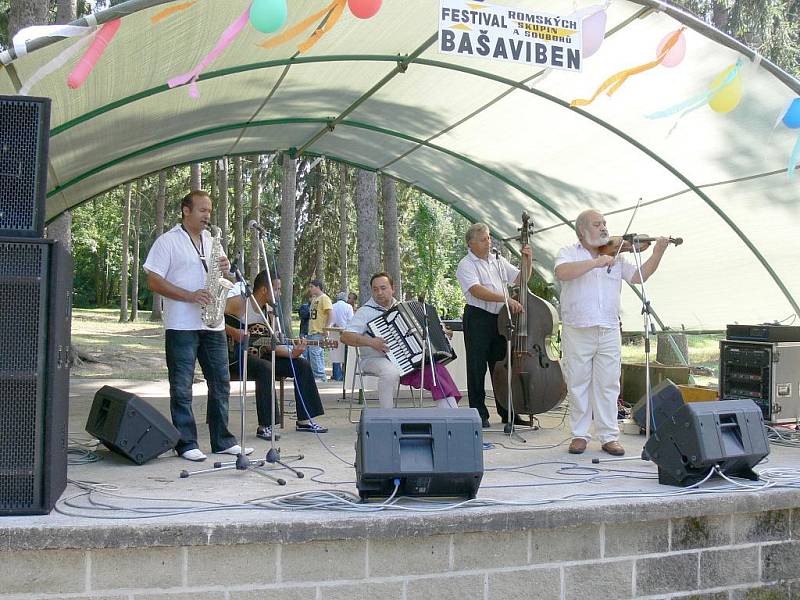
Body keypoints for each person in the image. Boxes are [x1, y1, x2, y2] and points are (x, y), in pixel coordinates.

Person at [143, 189, 250, 462]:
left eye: (210, 211)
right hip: (182, 325)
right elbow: (154, 281)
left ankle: (222, 441)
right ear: (186, 210)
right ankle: (186, 442)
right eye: (202, 210)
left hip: (213, 324)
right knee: (182, 386)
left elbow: (226, 277)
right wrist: (189, 296)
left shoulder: (213, 241)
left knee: (221, 383)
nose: (207, 216)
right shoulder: (167, 241)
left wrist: (226, 271)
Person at [555, 209, 670, 456]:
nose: (604, 228)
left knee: (608, 383)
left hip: (608, 327)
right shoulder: (568, 253)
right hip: (578, 328)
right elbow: (562, 273)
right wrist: (596, 262)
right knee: (578, 383)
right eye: (597, 224)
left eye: (605, 223)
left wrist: (658, 252)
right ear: (582, 231)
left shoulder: (616, 255)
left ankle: (609, 436)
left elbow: (639, 276)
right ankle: (580, 435)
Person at [225, 270, 328, 438]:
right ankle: (265, 425)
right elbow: (212, 319)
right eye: (277, 289)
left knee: (301, 364)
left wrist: (293, 354)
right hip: (234, 354)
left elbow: (271, 344)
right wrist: (234, 332)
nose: (280, 293)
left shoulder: (270, 313)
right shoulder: (241, 303)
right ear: (265, 290)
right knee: (266, 368)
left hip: (261, 355)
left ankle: (305, 420)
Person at [341, 272, 460, 409]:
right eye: (375, 289)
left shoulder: (404, 309)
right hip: (374, 359)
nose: (379, 292)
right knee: (390, 371)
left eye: (383, 288)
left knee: (436, 370)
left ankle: (451, 415)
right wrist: (372, 342)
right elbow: (345, 336)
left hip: (407, 362)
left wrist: (442, 332)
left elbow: (427, 329)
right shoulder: (365, 312)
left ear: (393, 289)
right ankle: (387, 417)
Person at [455, 223, 533, 429]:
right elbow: (476, 291)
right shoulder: (466, 264)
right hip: (478, 317)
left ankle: (508, 412)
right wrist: (506, 299)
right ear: (471, 243)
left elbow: (521, 279)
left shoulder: (497, 260)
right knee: (477, 367)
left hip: (500, 318)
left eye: (489, 238)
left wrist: (527, 259)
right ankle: (479, 414)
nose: (488, 242)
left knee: (502, 366)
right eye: (483, 239)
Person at [305, 279, 333, 381]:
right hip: (312, 331)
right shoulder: (314, 299)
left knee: (315, 353)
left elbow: (330, 313)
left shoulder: (324, 298)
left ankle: (320, 376)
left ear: (318, 287)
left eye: (312, 287)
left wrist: (326, 327)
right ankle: (320, 375)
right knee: (315, 353)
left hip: (319, 330)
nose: (310, 289)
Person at [329, 291, 354, 381]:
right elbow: (351, 320)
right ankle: (345, 374)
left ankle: (337, 375)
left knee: (335, 353)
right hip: (345, 332)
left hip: (333, 331)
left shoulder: (332, 306)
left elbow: (330, 319)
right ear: (345, 298)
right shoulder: (348, 307)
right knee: (345, 353)